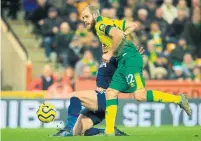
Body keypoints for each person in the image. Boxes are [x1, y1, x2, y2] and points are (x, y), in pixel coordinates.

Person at [81, 5, 192, 135]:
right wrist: (122, 36)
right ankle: (109, 132)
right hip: (123, 60)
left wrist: (110, 52)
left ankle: (179, 100)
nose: (84, 20)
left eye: (87, 16)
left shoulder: (100, 25)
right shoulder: (110, 21)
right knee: (111, 93)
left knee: (140, 96)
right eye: (83, 17)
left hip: (129, 59)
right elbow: (133, 25)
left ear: (94, 15)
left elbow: (116, 35)